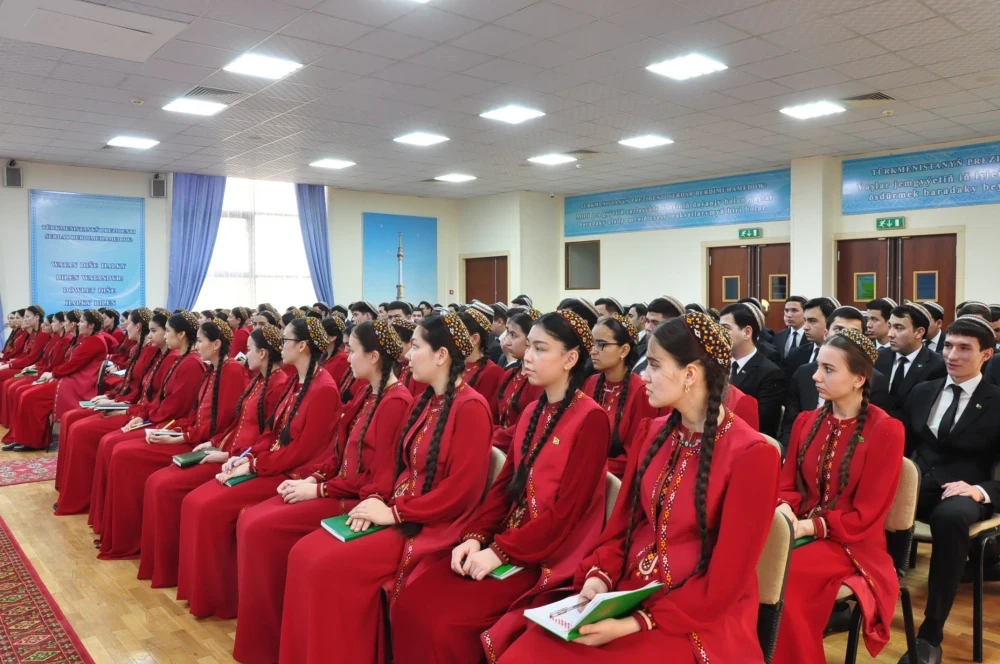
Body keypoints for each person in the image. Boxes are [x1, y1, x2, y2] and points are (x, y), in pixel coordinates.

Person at [499, 312, 780, 662]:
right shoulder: (652, 433)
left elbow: (726, 581)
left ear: (690, 374)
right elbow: (623, 526)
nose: (643, 374)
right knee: (528, 649)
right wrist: (600, 578)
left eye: (655, 365)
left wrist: (636, 622)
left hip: (696, 614)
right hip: (628, 591)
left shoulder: (753, 454)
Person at [392, 310, 611, 663]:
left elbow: (566, 515)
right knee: (413, 600)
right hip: (507, 542)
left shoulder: (591, 419)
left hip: (546, 556)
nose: (527, 356)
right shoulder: (532, 412)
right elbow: (503, 489)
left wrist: (499, 552)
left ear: (570, 359)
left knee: (444, 622)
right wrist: (476, 536)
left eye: (540, 349)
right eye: (530, 347)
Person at [278, 313, 493, 664]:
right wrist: (378, 499)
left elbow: (461, 493)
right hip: (400, 510)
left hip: (432, 526)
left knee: (324, 565)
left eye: (417, 347)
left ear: (441, 355)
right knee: (304, 552)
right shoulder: (428, 399)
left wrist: (393, 513)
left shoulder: (471, 407)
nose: (407, 355)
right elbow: (399, 466)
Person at [232, 321, 413, 664]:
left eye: (352, 349)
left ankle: (284, 645)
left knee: (266, 531)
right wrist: (315, 479)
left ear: (374, 356)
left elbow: (377, 479)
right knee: (254, 520)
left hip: (356, 498)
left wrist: (320, 489)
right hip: (338, 486)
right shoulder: (365, 392)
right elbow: (340, 453)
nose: (344, 356)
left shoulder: (396, 401)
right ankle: (270, 640)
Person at [175, 316, 341, 619]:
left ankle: (226, 602)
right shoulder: (295, 380)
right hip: (271, 463)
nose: (280, 346)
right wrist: (246, 458)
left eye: (286, 340)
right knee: (196, 500)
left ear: (302, 346)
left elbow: (302, 452)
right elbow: (272, 432)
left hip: (289, 472)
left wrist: (255, 465)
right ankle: (210, 595)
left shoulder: (323, 388)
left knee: (216, 509)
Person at [771, 327, 904, 664]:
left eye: (828, 370)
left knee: (784, 581)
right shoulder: (806, 421)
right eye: (818, 366)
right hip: (800, 530)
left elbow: (868, 513)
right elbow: (788, 485)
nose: (815, 376)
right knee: (745, 564)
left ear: (859, 379)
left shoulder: (885, 429)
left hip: (853, 542)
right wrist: (785, 508)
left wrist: (809, 527)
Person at [138, 325, 289, 589]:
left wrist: (233, 456)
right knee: (158, 482)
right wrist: (211, 443)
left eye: (250, 349)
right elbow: (234, 424)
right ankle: (171, 570)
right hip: (228, 450)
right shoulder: (257, 378)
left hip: (242, 457)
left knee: (187, 497)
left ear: (263, 353)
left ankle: (205, 586)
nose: (246, 354)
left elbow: (267, 437)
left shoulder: (274, 382)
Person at [97, 319, 248, 560]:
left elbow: (221, 423)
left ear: (217, 344)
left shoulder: (230, 370)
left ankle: (146, 548)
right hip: (194, 436)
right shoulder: (212, 368)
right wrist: (176, 428)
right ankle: (121, 537)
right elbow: (195, 414)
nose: (197, 346)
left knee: (133, 461)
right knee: (120, 450)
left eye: (201, 340)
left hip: (205, 443)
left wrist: (181, 436)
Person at [899, 315, 1000, 664]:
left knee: (951, 518)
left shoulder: (997, 402)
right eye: (948, 346)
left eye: (964, 348)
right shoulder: (924, 391)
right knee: (870, 503)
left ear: (987, 354)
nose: (952, 355)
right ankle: (858, 602)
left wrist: (981, 491)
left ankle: (930, 634)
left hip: (964, 491)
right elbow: (900, 447)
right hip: (917, 486)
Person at [89, 312, 207, 539]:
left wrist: (141, 415)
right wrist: (139, 412)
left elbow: (174, 407)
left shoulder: (190, 363)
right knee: (111, 443)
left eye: (161, 331)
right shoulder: (179, 359)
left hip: (173, 425)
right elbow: (156, 397)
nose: (152, 336)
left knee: (120, 449)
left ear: (180, 335)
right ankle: (109, 524)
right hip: (161, 418)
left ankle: (125, 533)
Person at [54, 309, 158, 514]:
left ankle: (82, 497)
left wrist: (125, 408)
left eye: (127, 322)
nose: (124, 325)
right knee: (71, 418)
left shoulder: (157, 353)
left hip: (139, 413)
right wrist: (113, 398)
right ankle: (69, 489)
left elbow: (151, 398)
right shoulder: (142, 348)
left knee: (81, 430)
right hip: (130, 406)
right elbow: (132, 385)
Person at [779, 307, 890, 447]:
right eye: (838, 330)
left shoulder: (875, 380)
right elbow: (789, 427)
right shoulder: (804, 374)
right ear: (826, 333)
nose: (845, 339)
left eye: (853, 334)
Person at [3, 309, 110, 451]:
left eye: (82, 321)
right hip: (69, 378)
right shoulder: (87, 339)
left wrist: (53, 373)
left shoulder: (95, 341)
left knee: (30, 396)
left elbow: (74, 364)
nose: (78, 324)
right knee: (25, 393)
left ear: (91, 325)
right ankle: (24, 437)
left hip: (77, 383)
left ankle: (33, 441)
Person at [586, 314, 655, 477]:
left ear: (624, 350)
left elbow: (635, 454)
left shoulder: (640, 391)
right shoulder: (591, 382)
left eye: (601, 344)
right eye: (592, 343)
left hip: (615, 479)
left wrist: (593, 468)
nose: (592, 351)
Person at [719, 302, 787, 438]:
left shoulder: (770, 373)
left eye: (725, 328)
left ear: (747, 332)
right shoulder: (716, 365)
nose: (719, 334)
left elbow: (760, 421)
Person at [875, 302, 946, 421]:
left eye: (898, 327)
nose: (890, 334)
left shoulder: (937, 365)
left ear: (919, 332)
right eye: (890, 326)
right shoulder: (877, 357)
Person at [491, 308, 545, 453]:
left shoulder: (538, 380)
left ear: (530, 340)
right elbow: (492, 415)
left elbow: (528, 426)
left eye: (513, 335)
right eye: (507, 333)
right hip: (497, 445)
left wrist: (493, 436)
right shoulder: (508, 374)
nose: (506, 341)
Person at [785, 297, 839, 379]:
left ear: (830, 322)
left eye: (812, 321)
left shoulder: (842, 356)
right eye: (805, 320)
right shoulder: (795, 355)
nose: (805, 327)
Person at [459, 305, 505, 400]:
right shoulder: (454, 365)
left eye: (458, 334)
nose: (452, 339)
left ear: (475, 338)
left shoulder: (492, 372)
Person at [0, 305, 49, 394]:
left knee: (9, 382)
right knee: (8, 382)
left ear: (37, 317)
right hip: (27, 367)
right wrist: (7, 363)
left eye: (27, 317)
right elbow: (24, 355)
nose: (24, 319)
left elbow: (31, 358)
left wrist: (8, 365)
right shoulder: (34, 333)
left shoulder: (43, 334)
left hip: (34, 369)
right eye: (24, 317)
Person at [633, 296, 684, 375]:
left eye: (655, 323)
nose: (648, 328)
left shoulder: (677, 361)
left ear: (672, 326)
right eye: (647, 321)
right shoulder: (638, 350)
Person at [773, 296, 808, 361]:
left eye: (794, 310)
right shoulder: (778, 336)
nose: (789, 315)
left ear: (805, 312)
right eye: (786, 310)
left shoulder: (813, 337)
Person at [320, 316, 349, 385]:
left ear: (332, 337)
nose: (316, 337)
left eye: (320, 333)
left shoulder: (342, 358)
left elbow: (325, 384)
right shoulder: (325, 354)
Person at [487, 302, 508, 367]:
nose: (485, 325)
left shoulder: (508, 341)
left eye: (488, 321)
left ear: (499, 322)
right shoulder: (491, 338)